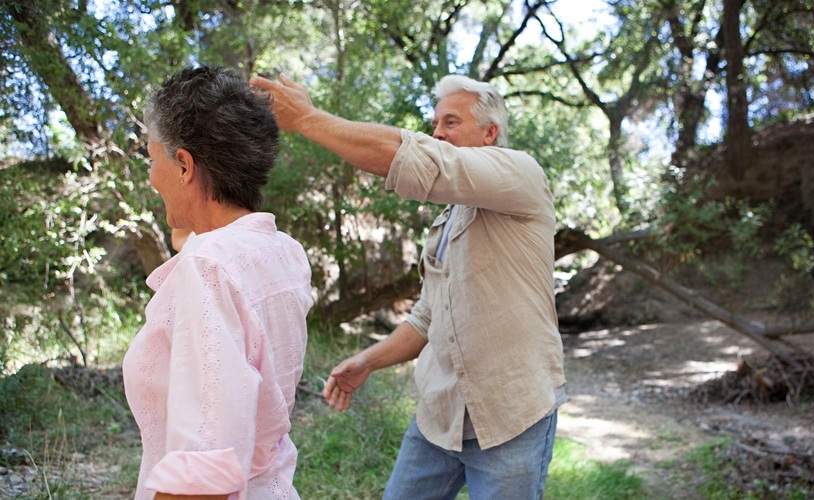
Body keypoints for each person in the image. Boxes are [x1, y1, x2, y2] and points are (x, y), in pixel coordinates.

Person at [251, 73, 567, 499]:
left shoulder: (522, 174)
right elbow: (428, 317)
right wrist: (368, 360)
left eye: (451, 122)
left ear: (490, 132)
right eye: (435, 124)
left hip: (512, 417)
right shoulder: (446, 220)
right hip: (438, 418)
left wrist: (308, 118)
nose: (437, 132)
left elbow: (418, 159)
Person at [123, 66, 314, 500]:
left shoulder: (208, 267)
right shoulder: (283, 251)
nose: (152, 178)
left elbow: (204, 471)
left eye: (153, 161)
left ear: (184, 165)